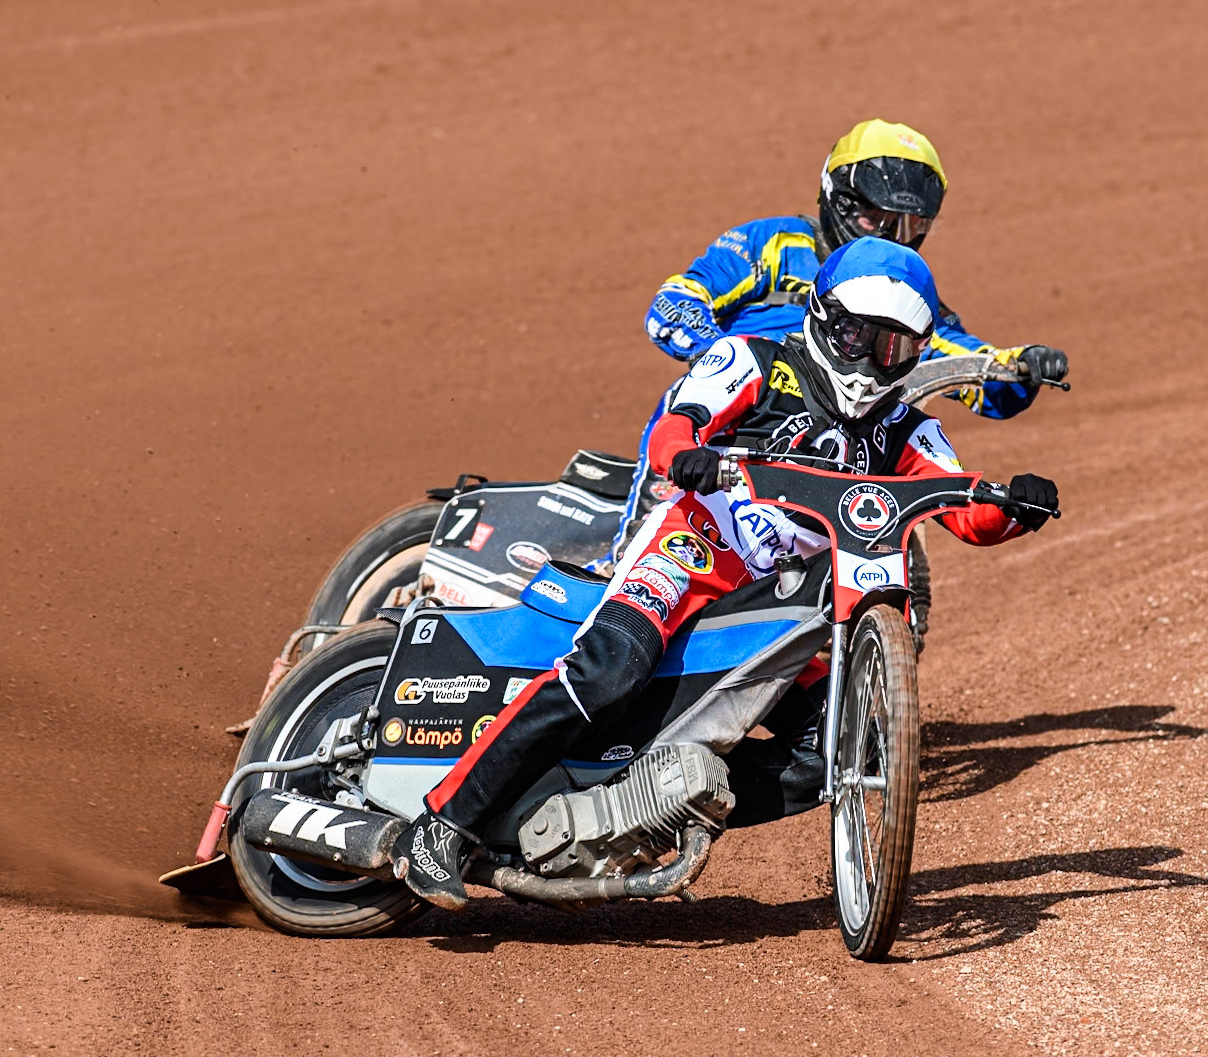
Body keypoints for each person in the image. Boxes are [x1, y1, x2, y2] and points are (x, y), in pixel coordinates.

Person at [394, 237, 1060, 910]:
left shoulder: (904, 429)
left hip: (784, 598)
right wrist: (688, 454)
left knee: (830, 756)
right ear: (824, 315)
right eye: (856, 333)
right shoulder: (755, 361)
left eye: (890, 347)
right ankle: (441, 826)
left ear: (914, 353)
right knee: (608, 669)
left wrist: (1018, 505)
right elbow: (676, 426)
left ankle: (645, 806)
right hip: (693, 549)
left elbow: (967, 512)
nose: (866, 359)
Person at [610, 118, 1069, 559]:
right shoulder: (775, 243)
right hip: (747, 412)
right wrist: (723, 358)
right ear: (841, 199)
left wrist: (1021, 364)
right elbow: (677, 300)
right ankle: (633, 543)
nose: (893, 235)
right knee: (682, 430)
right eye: (877, 217)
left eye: (908, 225)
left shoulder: (904, 304)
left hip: (849, 430)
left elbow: (973, 365)